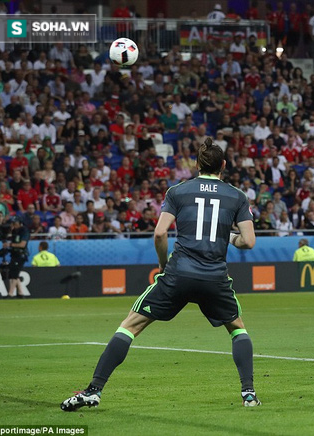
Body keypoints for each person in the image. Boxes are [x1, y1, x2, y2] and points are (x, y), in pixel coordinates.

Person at [61, 139, 260, 411]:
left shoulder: (177, 191)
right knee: (237, 329)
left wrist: (163, 266)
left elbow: (159, 233)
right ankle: (248, 393)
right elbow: (248, 242)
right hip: (214, 276)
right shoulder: (237, 196)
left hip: (178, 273)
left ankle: (94, 390)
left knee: (130, 325)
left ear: (197, 164)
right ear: (224, 165)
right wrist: (230, 237)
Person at [4, 216, 30, 298]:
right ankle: (20, 293)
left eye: (15, 223)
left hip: (21, 254)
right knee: (14, 272)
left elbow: (22, 244)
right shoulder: (14, 231)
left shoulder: (24, 231)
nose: (13, 225)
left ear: (20, 223)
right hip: (14, 254)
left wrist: (10, 245)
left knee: (14, 274)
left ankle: (10, 293)